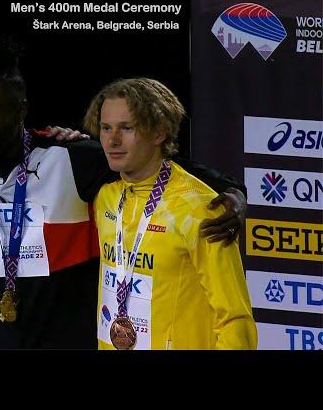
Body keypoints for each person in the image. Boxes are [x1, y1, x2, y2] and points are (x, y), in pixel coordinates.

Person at [0, 40, 248, 349]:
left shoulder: (69, 159)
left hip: (64, 337)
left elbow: (159, 164)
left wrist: (232, 192)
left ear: (20, 110)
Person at [84, 78, 257, 349]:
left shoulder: (200, 209)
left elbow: (235, 319)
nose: (112, 140)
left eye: (127, 128)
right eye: (106, 128)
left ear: (159, 132)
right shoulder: (106, 197)